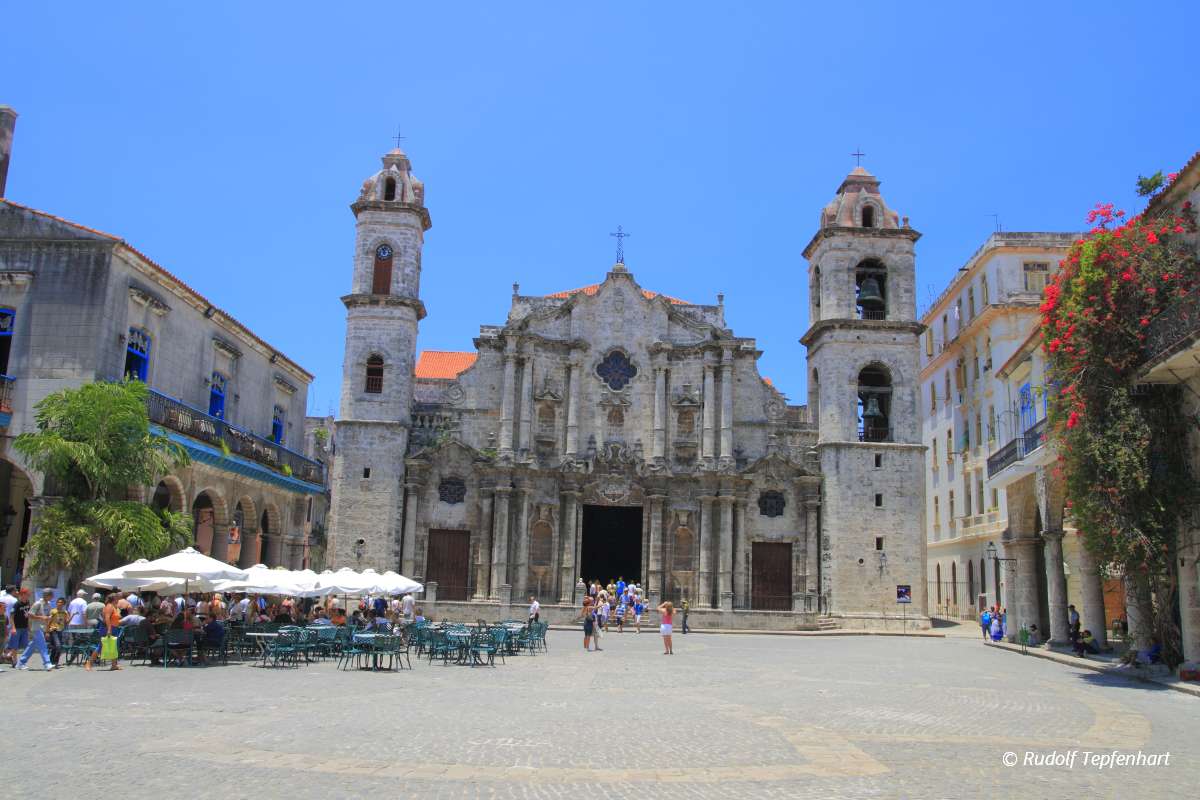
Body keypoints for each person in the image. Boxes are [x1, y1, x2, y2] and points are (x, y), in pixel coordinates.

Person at [16, 588, 55, 670]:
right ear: (47, 595)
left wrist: (48, 619)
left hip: (42, 627)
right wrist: (42, 617)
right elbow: (30, 615)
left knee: (32, 646)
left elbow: (46, 616)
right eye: (51, 595)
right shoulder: (37, 604)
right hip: (36, 628)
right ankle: (47, 663)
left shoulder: (49, 604)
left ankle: (21, 663)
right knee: (43, 645)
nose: (52, 597)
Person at [85, 592, 123, 671]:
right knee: (100, 646)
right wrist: (109, 629)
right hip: (107, 628)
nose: (118, 599)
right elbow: (107, 618)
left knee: (114, 646)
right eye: (117, 598)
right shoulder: (109, 606)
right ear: (114, 599)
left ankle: (114, 665)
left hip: (115, 628)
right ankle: (89, 663)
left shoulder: (114, 607)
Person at [47, 597, 68, 666]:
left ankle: (52, 662)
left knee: (55, 647)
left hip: (60, 631)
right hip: (53, 630)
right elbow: (49, 621)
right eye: (58, 602)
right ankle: (54, 662)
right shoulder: (53, 611)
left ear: (63, 604)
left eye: (61, 603)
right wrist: (47, 631)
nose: (59, 604)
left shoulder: (64, 612)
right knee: (58, 646)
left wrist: (72, 615)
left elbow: (66, 622)